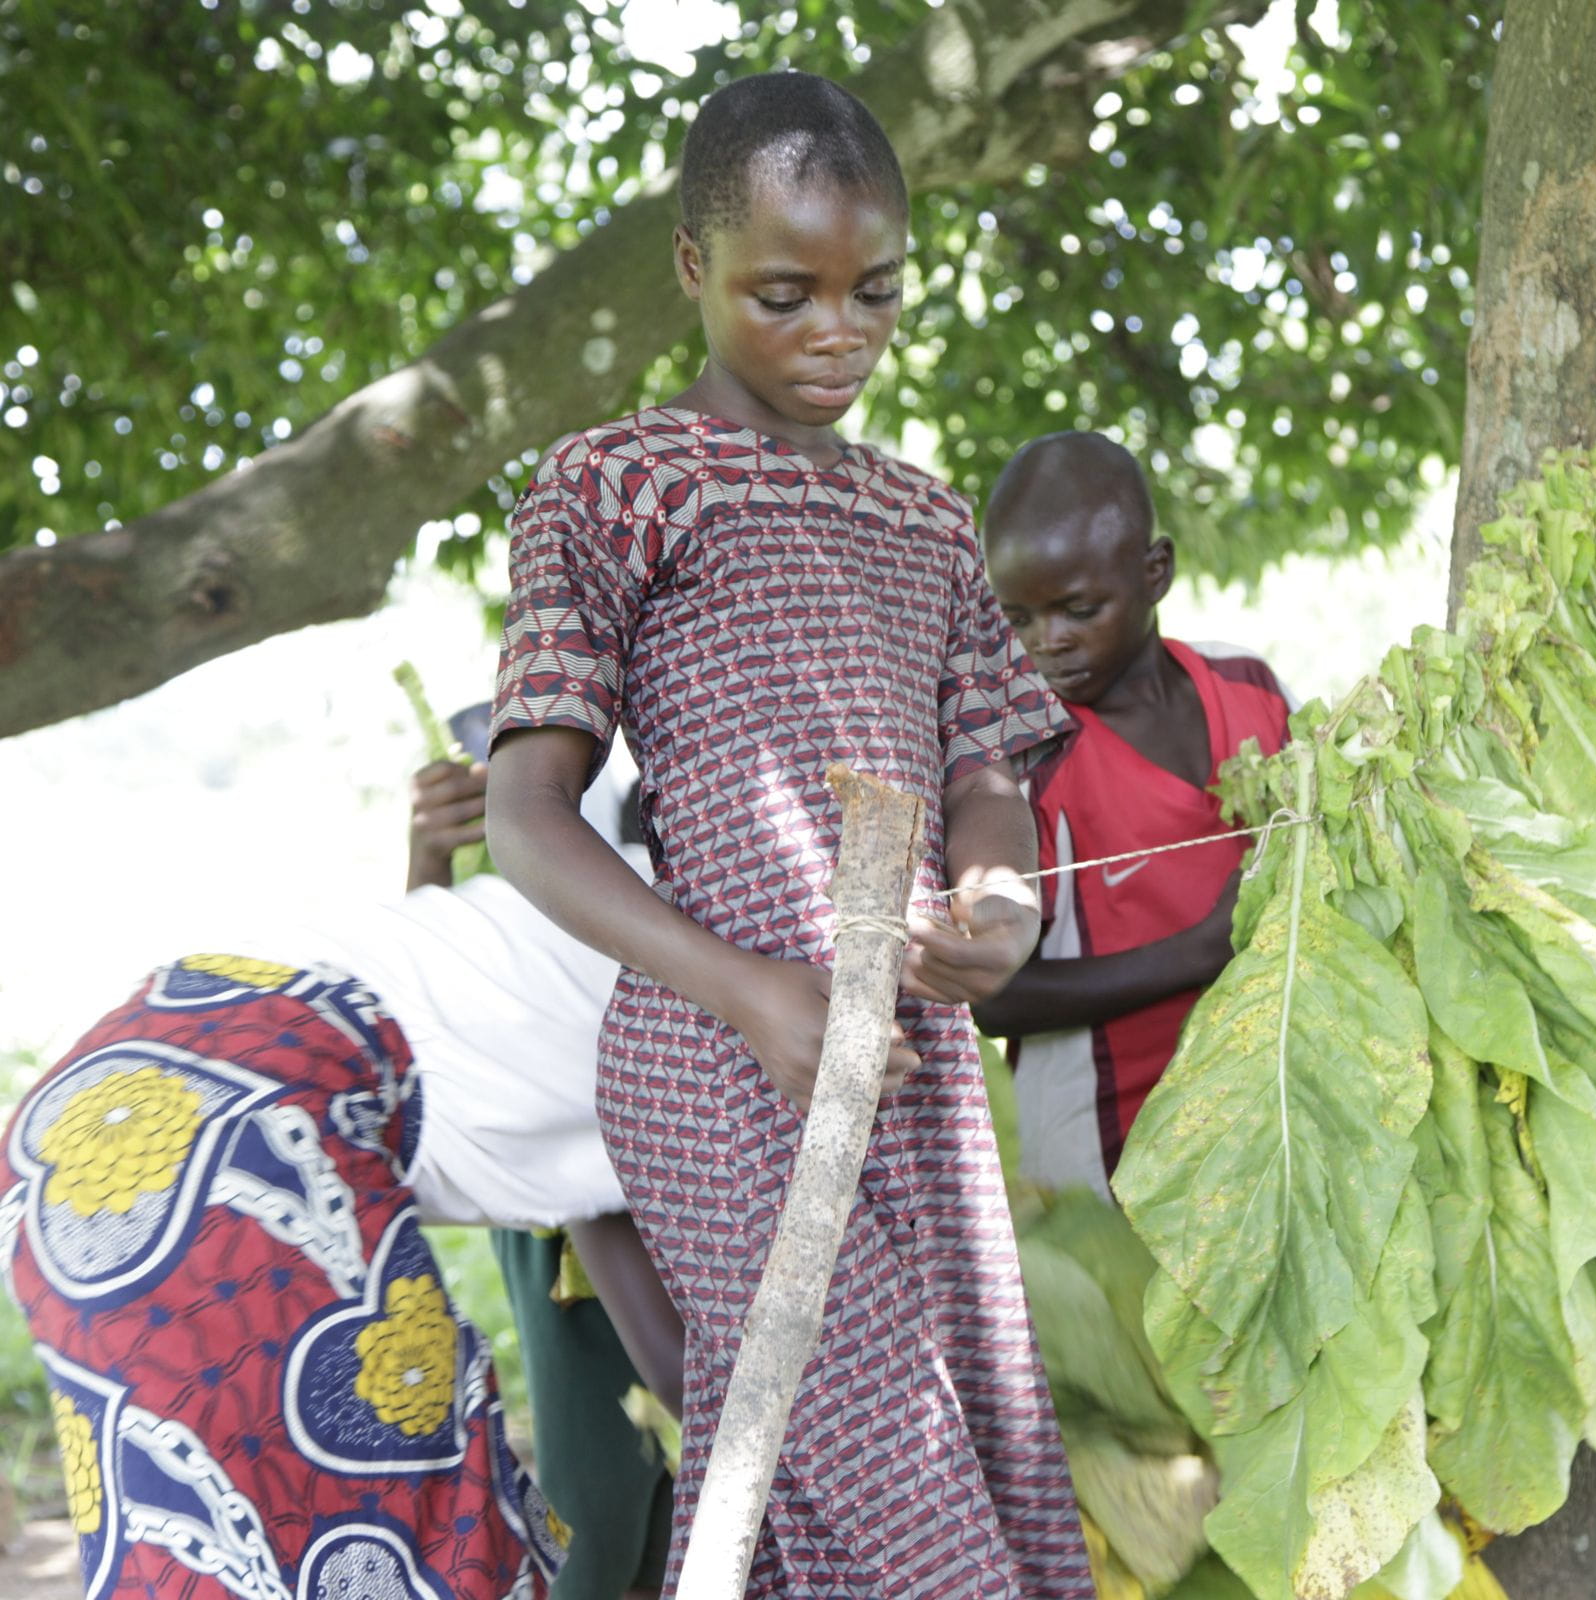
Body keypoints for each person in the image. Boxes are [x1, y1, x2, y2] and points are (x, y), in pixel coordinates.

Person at [480, 71, 1090, 1600]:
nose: (839, 332)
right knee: (916, 1517)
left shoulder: (929, 523)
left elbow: (988, 777)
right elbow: (526, 819)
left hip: (914, 1068)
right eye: (784, 292)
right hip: (716, 1059)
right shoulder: (613, 486)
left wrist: (1000, 902)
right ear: (693, 268)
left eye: (875, 292)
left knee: (844, 1507)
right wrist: (753, 991)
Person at [0, 760, 671, 1596]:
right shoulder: (731, 991)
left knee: (194, 1544)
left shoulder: (598, 919)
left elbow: (639, 1294)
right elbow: (681, 1356)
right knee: (411, 1547)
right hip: (232, 1146)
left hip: (88, 1127)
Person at [971, 433, 1294, 1194]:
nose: (1047, 642)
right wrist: (1199, 951)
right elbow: (995, 998)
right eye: (1019, 619)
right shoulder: (1017, 764)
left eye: (1079, 610)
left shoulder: (1253, 689)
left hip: (1272, 1124)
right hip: (1107, 1171)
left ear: (1156, 573)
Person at [412, 717, 677, 1600]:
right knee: (600, 1490)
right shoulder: (550, 768)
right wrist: (431, 853)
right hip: (567, 1163)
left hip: (669, 1145)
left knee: (666, 1496)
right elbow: (450, 985)